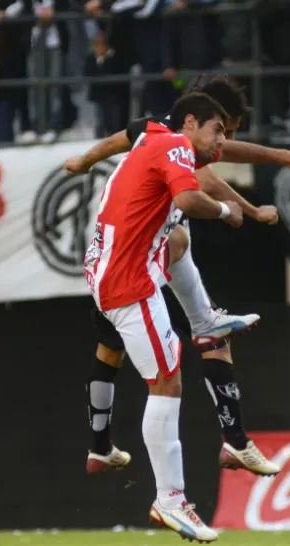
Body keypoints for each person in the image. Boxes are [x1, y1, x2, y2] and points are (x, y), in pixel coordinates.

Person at [65, 76, 290, 478]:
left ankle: (102, 445)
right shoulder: (173, 144)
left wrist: (83, 161)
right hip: (130, 259)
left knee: (118, 341)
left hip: (122, 255)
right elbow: (204, 182)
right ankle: (208, 458)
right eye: (225, 130)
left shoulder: (154, 128)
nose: (226, 143)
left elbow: (114, 141)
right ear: (203, 121)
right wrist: (252, 207)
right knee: (167, 367)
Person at [85, 91, 238, 543]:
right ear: (190, 123)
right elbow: (190, 202)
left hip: (108, 273)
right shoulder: (174, 145)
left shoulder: (152, 136)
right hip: (128, 281)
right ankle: (170, 500)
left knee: (162, 363)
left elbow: (166, 219)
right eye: (217, 131)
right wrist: (229, 211)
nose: (221, 143)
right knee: (166, 378)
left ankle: (112, 454)